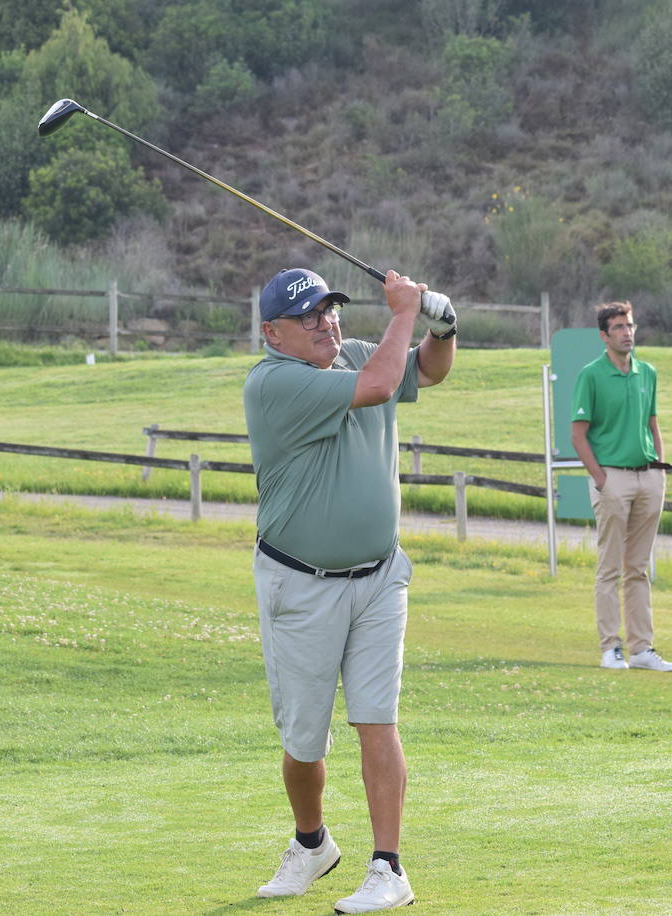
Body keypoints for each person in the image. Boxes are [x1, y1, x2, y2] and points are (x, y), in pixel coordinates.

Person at [243, 266, 456, 913]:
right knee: (304, 740)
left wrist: (442, 324)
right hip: (299, 584)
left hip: (379, 579)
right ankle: (312, 843)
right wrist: (403, 311)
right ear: (271, 332)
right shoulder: (273, 383)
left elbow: (426, 369)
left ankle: (387, 868)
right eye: (308, 317)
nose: (325, 323)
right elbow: (382, 382)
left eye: (329, 310)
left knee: (376, 719)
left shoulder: (360, 353)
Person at [569, 301, 672, 673]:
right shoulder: (591, 375)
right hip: (612, 478)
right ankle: (610, 648)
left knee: (639, 568)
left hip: (648, 476)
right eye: (618, 327)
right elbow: (578, 435)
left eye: (629, 325)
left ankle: (642, 649)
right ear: (604, 335)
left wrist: (660, 468)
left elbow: (653, 424)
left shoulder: (647, 372)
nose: (627, 332)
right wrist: (601, 479)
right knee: (610, 567)